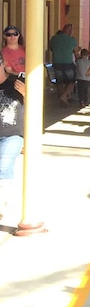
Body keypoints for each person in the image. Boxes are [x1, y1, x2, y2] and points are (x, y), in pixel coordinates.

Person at [0, 53, 25, 220]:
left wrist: (26, 93)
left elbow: (36, 107)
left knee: (4, 166)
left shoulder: (16, 83)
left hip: (12, 135)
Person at [49, 23, 78, 105]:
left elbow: (51, 48)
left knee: (60, 82)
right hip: (68, 63)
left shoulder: (54, 38)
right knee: (71, 82)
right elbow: (76, 51)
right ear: (69, 31)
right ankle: (64, 96)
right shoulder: (72, 40)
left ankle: (62, 99)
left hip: (56, 62)